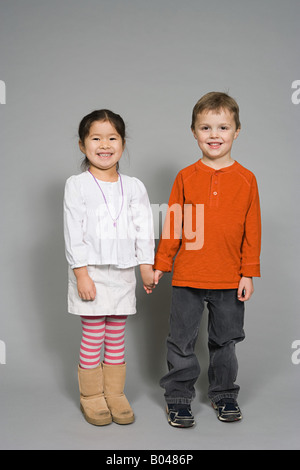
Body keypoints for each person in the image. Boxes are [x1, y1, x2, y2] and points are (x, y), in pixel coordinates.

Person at [153, 92, 261, 427]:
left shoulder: (247, 180)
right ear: (194, 132)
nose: (214, 135)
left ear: (237, 132)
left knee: (225, 341)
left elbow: (252, 231)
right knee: (181, 341)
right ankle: (180, 398)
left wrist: (248, 273)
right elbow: (173, 224)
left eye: (222, 127)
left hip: (230, 278)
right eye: (205, 127)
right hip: (188, 276)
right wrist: (161, 264)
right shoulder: (186, 177)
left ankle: (224, 394)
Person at [63, 109, 155, 426]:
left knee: (116, 333)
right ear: (82, 145)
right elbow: (73, 231)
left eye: (112, 137)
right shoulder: (77, 185)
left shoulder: (133, 186)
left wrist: (146, 265)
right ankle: (91, 396)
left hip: (123, 272)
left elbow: (143, 227)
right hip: (91, 272)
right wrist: (81, 274)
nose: (105, 144)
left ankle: (114, 393)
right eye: (96, 137)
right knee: (93, 334)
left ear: (123, 143)